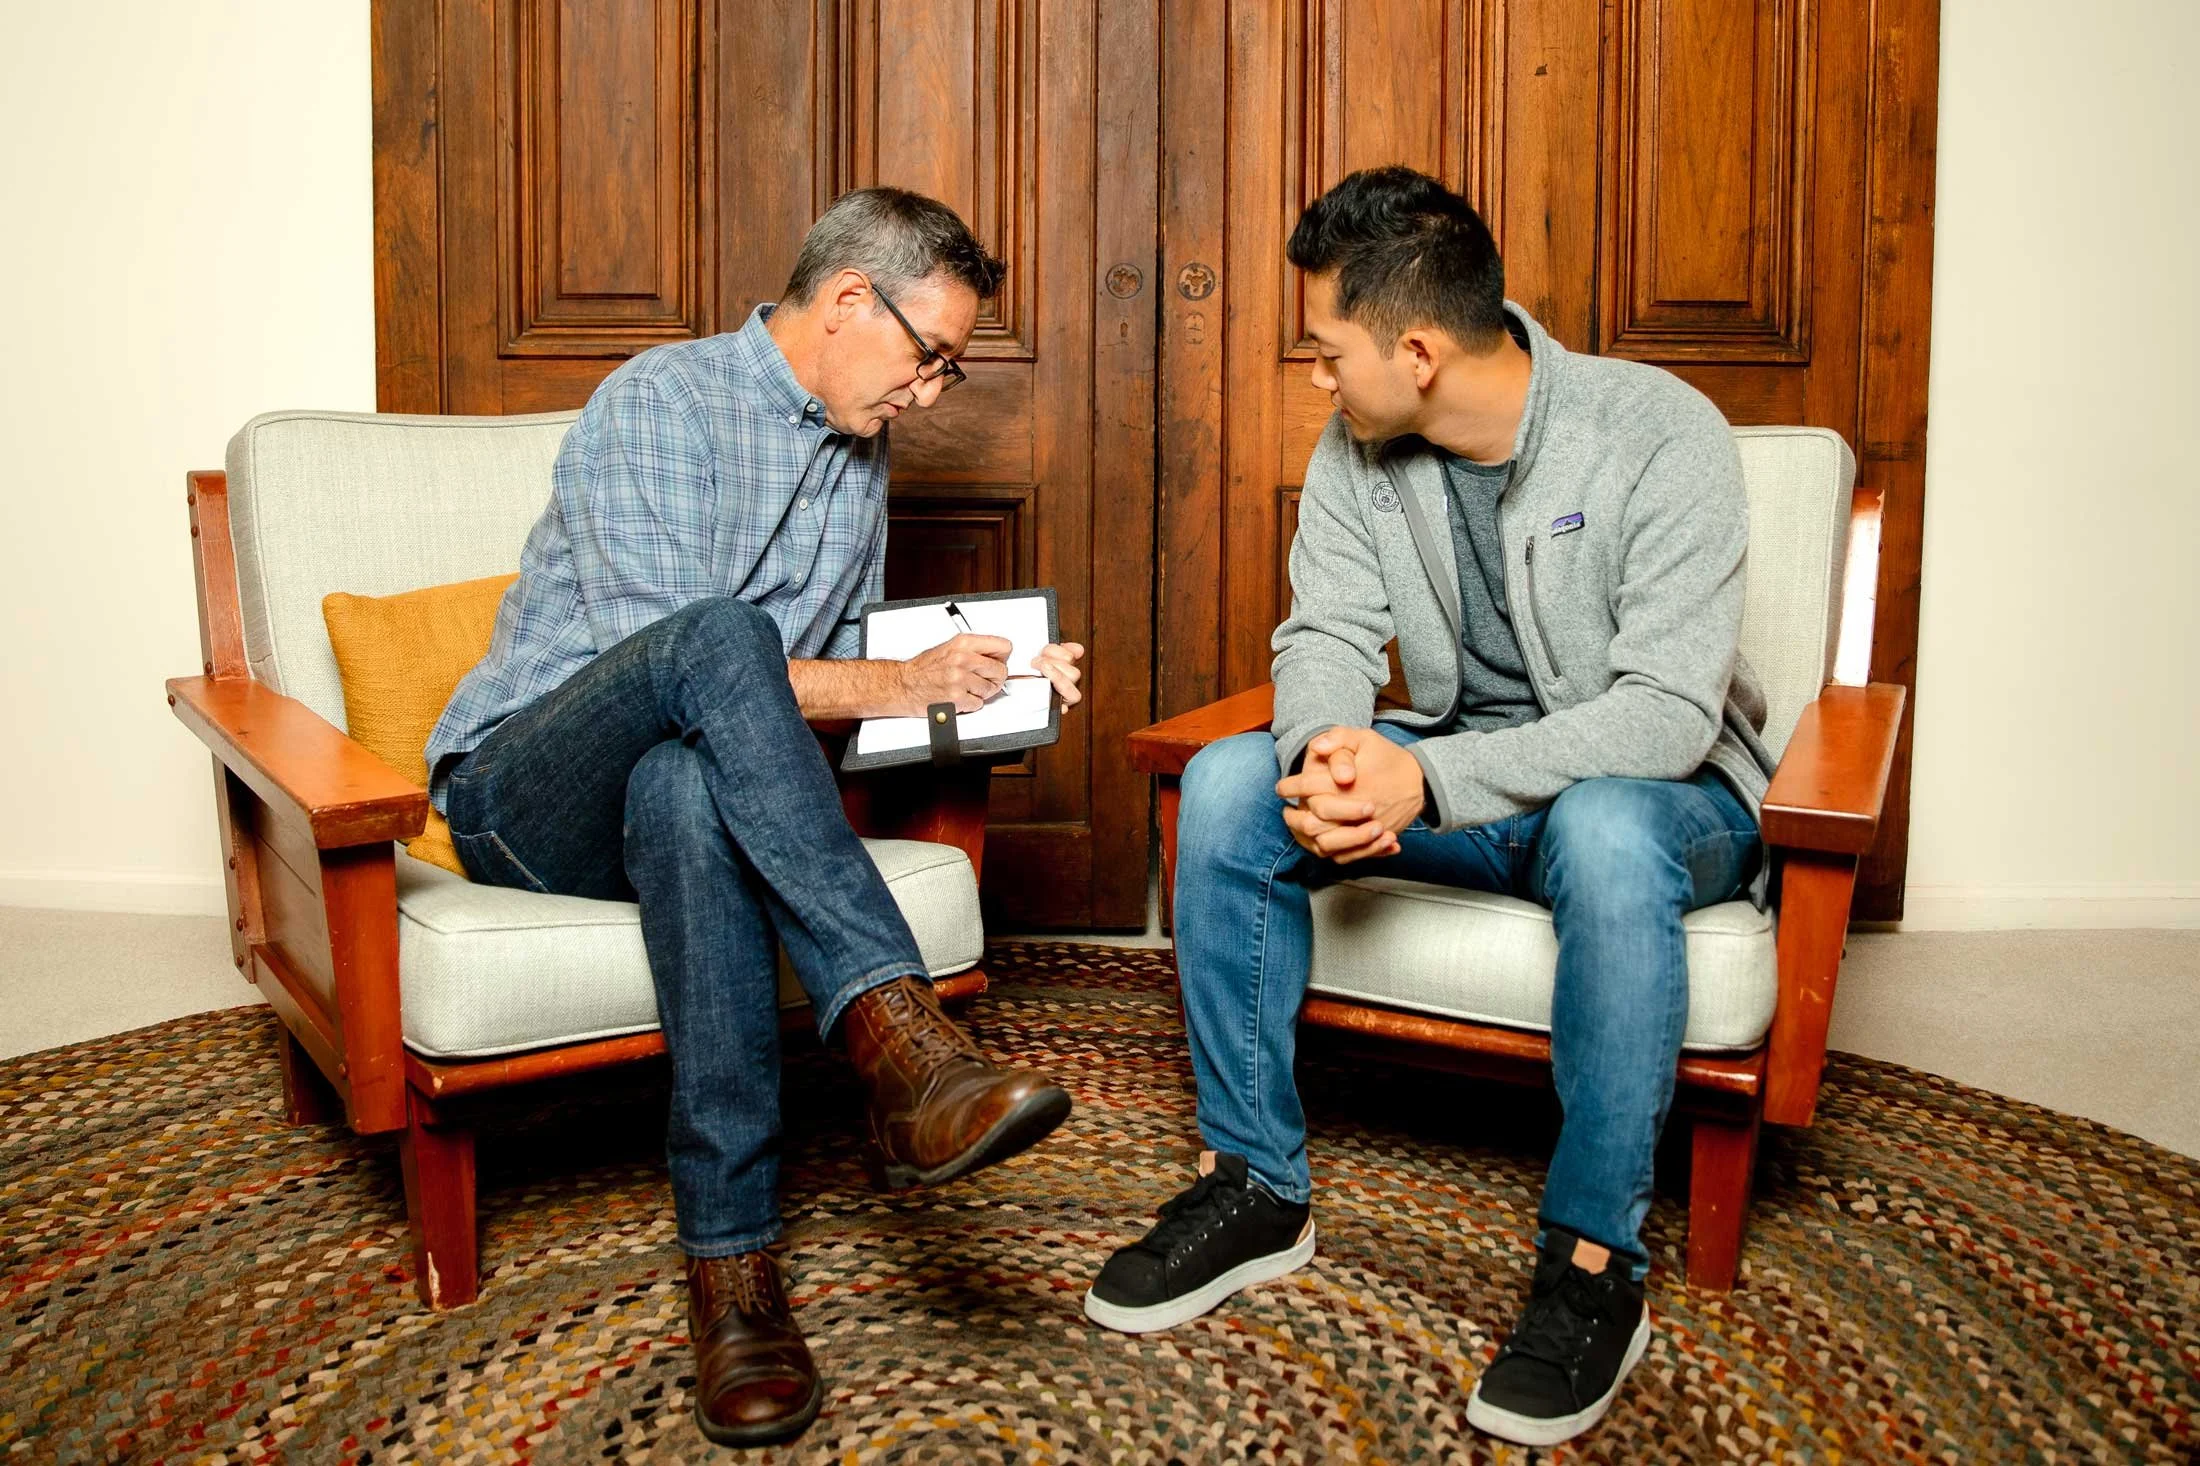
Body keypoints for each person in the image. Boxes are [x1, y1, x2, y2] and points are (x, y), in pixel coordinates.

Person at [1082, 166, 1771, 1449]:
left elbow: (1668, 713)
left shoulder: (1658, 428)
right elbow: (1326, 632)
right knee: (1233, 779)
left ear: (1415, 347)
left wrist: (1427, 779)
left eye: (1326, 347)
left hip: (1664, 799)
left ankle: (1589, 1265)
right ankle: (1254, 1185)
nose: (1316, 377)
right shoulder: (1357, 448)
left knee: (1607, 826)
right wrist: (1335, 753)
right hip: (1466, 775)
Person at [423, 187, 1087, 1449]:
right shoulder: (662, 402)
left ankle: (732, 1270)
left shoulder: (859, 450)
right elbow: (665, 657)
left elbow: (800, 709)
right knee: (720, 639)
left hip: (663, 791)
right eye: (930, 355)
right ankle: (898, 1032)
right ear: (847, 301)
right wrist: (896, 680)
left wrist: (987, 676)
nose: (934, 392)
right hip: (519, 789)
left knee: (685, 786)